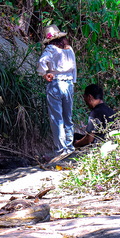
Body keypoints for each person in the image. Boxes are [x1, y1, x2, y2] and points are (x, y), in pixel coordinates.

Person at [37, 26, 77, 157]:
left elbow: (42, 61)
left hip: (55, 84)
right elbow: (74, 69)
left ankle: (61, 150)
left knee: (57, 119)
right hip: (69, 85)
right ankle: (70, 147)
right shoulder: (69, 49)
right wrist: (73, 82)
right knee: (68, 117)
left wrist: (44, 74)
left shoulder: (50, 49)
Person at [74, 84, 116, 148]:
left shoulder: (95, 112)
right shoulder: (111, 111)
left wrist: (76, 144)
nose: (85, 102)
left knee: (75, 137)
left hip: (99, 145)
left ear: (89, 97)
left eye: (84, 98)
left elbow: (89, 138)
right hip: (112, 142)